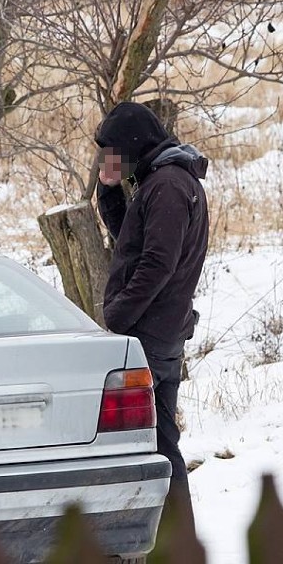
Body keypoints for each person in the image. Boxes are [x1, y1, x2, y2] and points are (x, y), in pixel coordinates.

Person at [94, 101, 209, 531]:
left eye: (113, 151)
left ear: (133, 145)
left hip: (153, 334)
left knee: (159, 444)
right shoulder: (160, 181)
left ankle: (178, 543)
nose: (108, 159)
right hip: (157, 330)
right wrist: (108, 189)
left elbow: (158, 262)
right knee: (153, 441)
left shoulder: (168, 186)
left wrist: (119, 314)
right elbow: (131, 239)